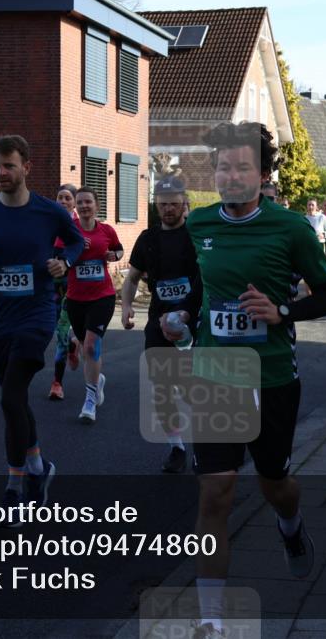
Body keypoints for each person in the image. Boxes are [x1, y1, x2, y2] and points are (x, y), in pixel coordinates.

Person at [168, 121, 326, 638]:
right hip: (217, 374)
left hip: (273, 378)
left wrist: (283, 310)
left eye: (242, 166)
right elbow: (190, 292)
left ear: (263, 174)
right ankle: (212, 620)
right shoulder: (196, 225)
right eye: (223, 166)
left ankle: (291, 526)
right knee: (215, 492)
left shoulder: (291, 228)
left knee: (275, 484)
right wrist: (175, 316)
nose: (231, 174)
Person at [0, 135, 83, 521]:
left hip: (37, 314)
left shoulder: (48, 212)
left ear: (27, 167)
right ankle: (39, 468)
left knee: (10, 397)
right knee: (15, 397)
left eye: (8, 165)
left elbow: (76, 242)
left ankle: (14, 483)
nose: (1, 173)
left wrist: (64, 263)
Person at [121, 175, 202, 473]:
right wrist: (127, 306)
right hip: (158, 320)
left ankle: (204, 447)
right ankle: (176, 446)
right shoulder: (148, 238)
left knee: (192, 387)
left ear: (184, 203)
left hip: (193, 319)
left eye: (173, 203)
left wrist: (188, 312)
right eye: (162, 203)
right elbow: (131, 278)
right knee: (162, 388)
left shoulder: (195, 235)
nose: (168, 209)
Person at [64, 187, 124, 424]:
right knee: (84, 344)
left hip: (103, 296)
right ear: (76, 207)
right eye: (80, 202)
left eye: (88, 202)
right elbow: (59, 253)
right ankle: (97, 380)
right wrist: (75, 248)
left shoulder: (106, 230)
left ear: (97, 206)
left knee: (91, 346)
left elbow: (118, 249)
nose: (84, 206)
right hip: (76, 298)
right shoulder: (69, 230)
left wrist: (114, 256)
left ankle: (89, 401)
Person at [48, 183, 80, 400]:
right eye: (60, 197)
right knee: (55, 331)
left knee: (61, 332)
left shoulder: (79, 226)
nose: (63, 201)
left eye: (68, 198)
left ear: (75, 202)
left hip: (74, 289)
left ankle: (57, 383)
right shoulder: (48, 225)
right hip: (51, 289)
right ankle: (71, 346)